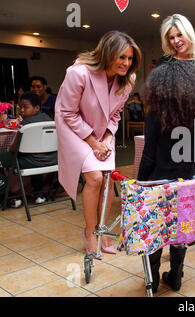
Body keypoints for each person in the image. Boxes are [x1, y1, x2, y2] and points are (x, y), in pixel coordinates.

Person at [55, 31, 141, 258]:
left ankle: (101, 232)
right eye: (122, 57)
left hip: (103, 134)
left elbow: (116, 114)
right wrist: (93, 141)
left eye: (130, 58)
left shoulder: (128, 79)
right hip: (73, 129)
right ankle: (90, 233)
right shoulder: (78, 73)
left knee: (106, 180)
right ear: (108, 54)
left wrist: (108, 139)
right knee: (93, 177)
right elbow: (68, 113)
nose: (126, 63)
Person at [138, 60, 195, 293]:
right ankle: (176, 275)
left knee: (155, 232)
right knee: (181, 230)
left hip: (158, 184)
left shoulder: (154, 114)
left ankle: (151, 279)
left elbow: (149, 155)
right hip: (186, 184)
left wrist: (140, 183)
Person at [0, 92, 57, 207]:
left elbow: (14, 148)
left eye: (25, 107)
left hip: (33, 162)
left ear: (36, 108)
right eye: (20, 107)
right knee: (33, 154)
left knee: (3, 156)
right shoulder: (49, 119)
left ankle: (10, 196)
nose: (21, 110)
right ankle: (39, 193)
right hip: (53, 161)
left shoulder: (26, 123)